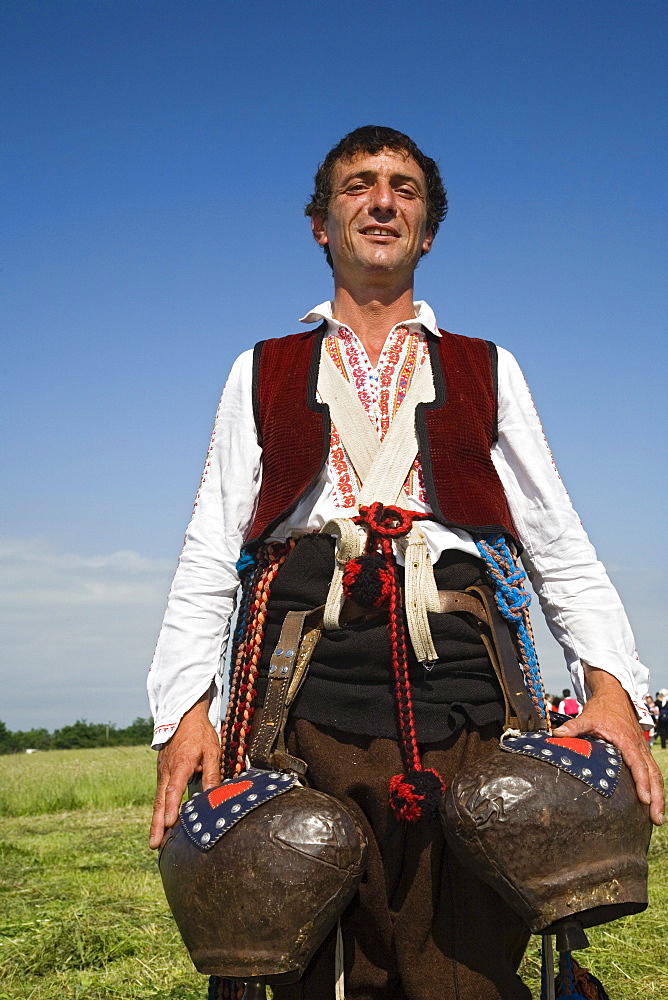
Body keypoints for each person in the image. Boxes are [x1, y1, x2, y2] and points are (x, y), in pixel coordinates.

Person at [147, 126, 664, 1000]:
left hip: (465, 686)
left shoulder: (487, 368)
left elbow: (556, 537)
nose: (382, 200)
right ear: (321, 223)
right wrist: (184, 713)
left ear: (426, 231)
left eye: (404, 189)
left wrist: (611, 680)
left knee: (464, 948)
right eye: (358, 185)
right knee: (311, 931)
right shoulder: (261, 372)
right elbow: (209, 549)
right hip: (302, 685)